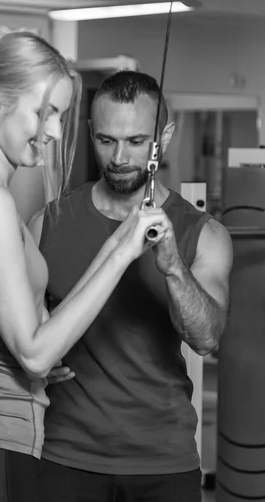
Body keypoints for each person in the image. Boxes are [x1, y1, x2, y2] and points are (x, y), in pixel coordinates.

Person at [0, 35, 171, 502]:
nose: (52, 130)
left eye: (62, 116)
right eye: (43, 112)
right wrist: (122, 253)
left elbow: (20, 344)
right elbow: (33, 353)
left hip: (0, 441)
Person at [30, 70, 233, 502]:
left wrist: (173, 265)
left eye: (137, 141)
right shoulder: (48, 223)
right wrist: (32, 359)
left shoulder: (205, 233)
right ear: (89, 132)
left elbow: (207, 337)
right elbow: (18, 332)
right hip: (64, 454)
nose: (119, 156)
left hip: (163, 459)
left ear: (165, 137)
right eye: (106, 140)